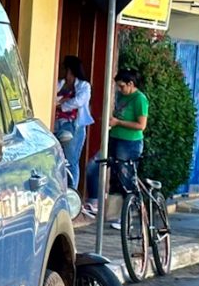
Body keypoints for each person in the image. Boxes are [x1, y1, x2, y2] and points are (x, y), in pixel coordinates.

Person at [83, 68, 149, 219]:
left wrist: (118, 122)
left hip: (129, 143)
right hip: (113, 139)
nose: (119, 89)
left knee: (125, 179)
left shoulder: (140, 99)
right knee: (93, 167)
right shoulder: (122, 96)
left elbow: (141, 125)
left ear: (131, 84)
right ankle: (94, 202)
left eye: (122, 86)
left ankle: (126, 216)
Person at [55, 56, 93, 189]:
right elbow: (52, 97)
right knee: (56, 161)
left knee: (71, 162)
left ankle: (72, 193)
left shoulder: (84, 86)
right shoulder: (59, 83)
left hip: (74, 126)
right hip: (57, 123)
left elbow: (79, 101)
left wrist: (61, 105)